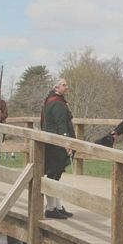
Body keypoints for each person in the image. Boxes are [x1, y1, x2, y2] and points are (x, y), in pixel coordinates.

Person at [41, 78, 75, 219]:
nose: (66, 87)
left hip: (53, 142)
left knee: (56, 175)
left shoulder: (53, 100)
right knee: (53, 175)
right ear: (56, 87)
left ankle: (57, 206)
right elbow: (61, 124)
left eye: (66, 84)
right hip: (56, 144)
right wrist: (67, 142)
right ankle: (50, 208)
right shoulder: (57, 103)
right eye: (63, 85)